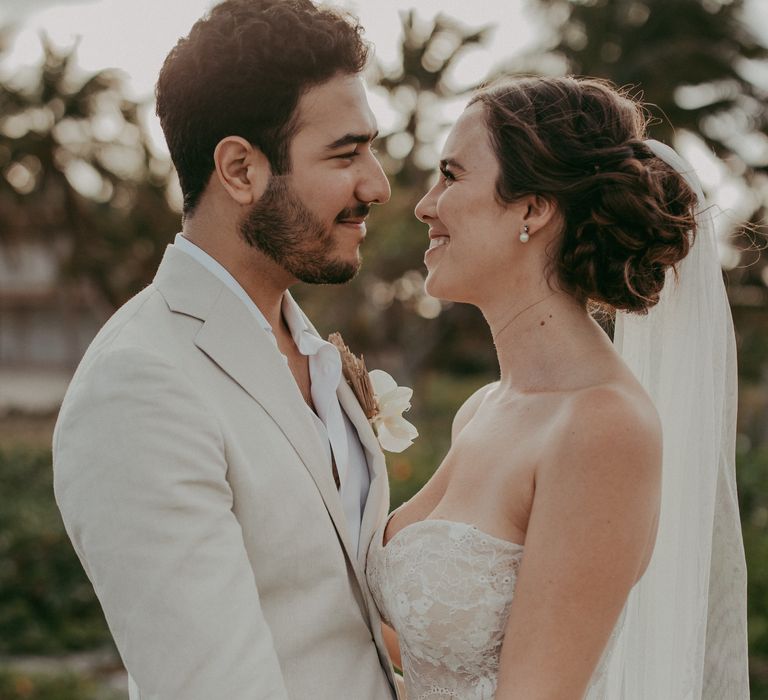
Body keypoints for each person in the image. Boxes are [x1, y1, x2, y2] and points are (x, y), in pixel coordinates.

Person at [52, 1, 399, 698]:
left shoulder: (315, 355)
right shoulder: (140, 385)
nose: (377, 184)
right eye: (346, 152)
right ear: (240, 169)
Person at [366, 76, 749, 699]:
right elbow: (442, 664)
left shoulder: (603, 428)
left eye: (452, 175)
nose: (424, 204)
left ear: (533, 208)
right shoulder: (484, 408)